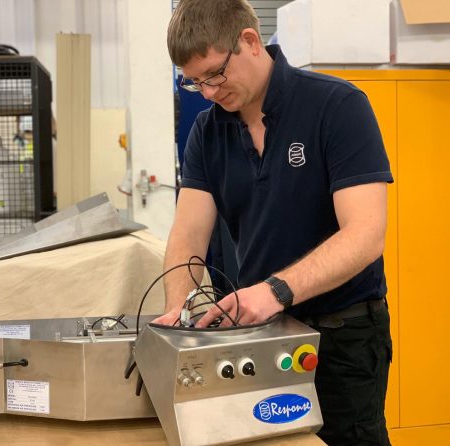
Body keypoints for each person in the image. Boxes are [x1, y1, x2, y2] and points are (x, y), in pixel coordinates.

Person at [153, 1, 393, 445]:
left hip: (341, 337)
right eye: (194, 82)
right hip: (258, 334)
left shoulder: (337, 106)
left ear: (249, 41)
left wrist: (275, 291)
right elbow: (188, 234)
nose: (207, 93)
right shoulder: (207, 131)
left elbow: (365, 234)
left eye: (214, 74)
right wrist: (179, 311)